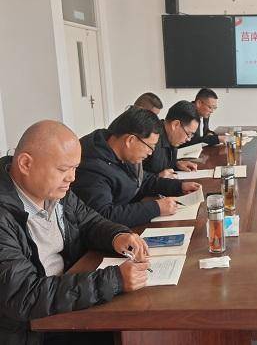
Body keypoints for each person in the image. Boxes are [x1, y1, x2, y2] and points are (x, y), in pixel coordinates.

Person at [0, 121, 150, 345]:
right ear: (25, 164)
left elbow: (89, 221)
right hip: (31, 331)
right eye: (63, 169)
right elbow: (24, 296)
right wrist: (114, 280)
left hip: (67, 304)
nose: (72, 178)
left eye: (74, 168)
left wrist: (117, 236)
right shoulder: (4, 216)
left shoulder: (55, 191)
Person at [71, 107, 200, 227]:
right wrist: (156, 208)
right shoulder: (92, 166)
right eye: (150, 147)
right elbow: (104, 215)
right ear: (130, 140)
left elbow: (143, 180)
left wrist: (179, 187)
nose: (151, 153)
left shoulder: (122, 152)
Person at [143, 100, 200, 178]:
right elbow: (132, 176)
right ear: (175, 125)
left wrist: (176, 164)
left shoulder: (171, 138)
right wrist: (157, 176)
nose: (188, 139)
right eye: (188, 134)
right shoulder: (149, 138)